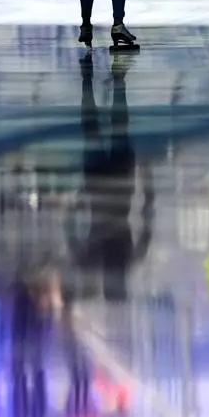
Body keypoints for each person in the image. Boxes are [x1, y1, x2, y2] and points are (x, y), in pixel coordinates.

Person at [68, 53, 152, 299]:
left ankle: (117, 80)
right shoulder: (92, 261)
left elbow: (147, 221)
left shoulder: (129, 259)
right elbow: (70, 233)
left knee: (118, 129)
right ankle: (88, 79)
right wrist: (77, 200)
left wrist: (147, 182)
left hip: (120, 188)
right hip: (96, 190)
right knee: (93, 130)